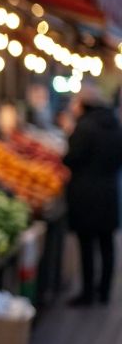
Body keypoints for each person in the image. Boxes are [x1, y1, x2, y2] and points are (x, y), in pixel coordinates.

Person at [63, 85, 122, 305]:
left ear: (83, 104)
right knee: (107, 245)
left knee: (86, 245)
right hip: (108, 192)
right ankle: (104, 291)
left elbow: (71, 158)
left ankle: (88, 292)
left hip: (85, 193)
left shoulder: (84, 128)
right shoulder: (114, 125)